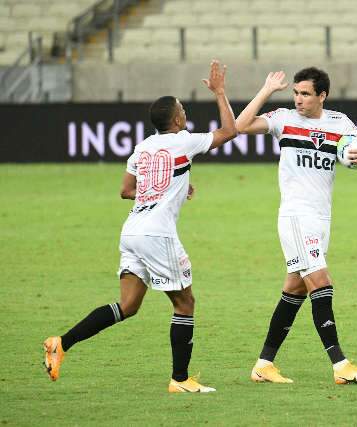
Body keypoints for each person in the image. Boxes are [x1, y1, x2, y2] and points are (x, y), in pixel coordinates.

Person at [43, 60, 238, 393]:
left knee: (128, 306)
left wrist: (168, 187)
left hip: (132, 230)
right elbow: (230, 131)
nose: (184, 112)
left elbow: (126, 190)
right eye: (182, 109)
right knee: (185, 304)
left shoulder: (142, 147)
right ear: (177, 119)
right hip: (156, 234)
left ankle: (61, 343)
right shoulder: (184, 142)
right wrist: (220, 92)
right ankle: (180, 380)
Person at [235, 67, 357, 385]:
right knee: (320, 281)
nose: (299, 100)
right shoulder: (284, 119)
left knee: (295, 288)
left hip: (321, 217)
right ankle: (341, 365)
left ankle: (263, 365)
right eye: (296, 93)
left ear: (322, 96)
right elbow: (239, 126)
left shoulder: (339, 124)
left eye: (305, 94)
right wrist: (266, 90)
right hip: (296, 215)